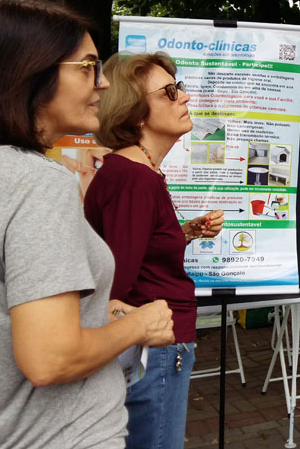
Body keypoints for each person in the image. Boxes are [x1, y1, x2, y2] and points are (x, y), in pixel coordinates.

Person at [0, 0, 175, 448]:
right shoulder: (36, 182)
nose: (103, 83)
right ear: (30, 71)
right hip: (60, 434)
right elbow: (51, 358)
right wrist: (140, 325)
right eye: (88, 67)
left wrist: (95, 311)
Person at [83, 51, 224, 449]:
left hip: (152, 345)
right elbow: (116, 285)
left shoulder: (135, 172)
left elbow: (132, 252)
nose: (185, 97)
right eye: (169, 92)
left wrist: (184, 233)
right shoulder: (136, 179)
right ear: (135, 113)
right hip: (153, 348)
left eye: (178, 87)